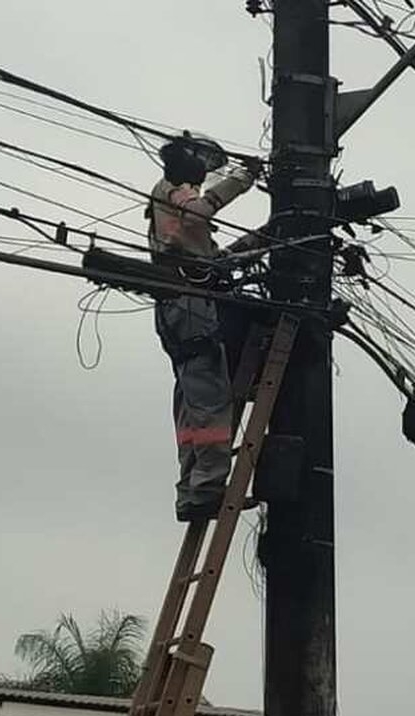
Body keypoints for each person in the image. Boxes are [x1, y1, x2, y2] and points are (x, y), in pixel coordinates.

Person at [149, 138, 258, 522]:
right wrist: (243, 179)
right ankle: (207, 490)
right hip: (191, 308)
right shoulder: (176, 193)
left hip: (175, 310)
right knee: (211, 400)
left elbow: (211, 260)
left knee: (192, 401)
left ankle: (190, 490)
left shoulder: (167, 208)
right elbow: (198, 214)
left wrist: (259, 240)